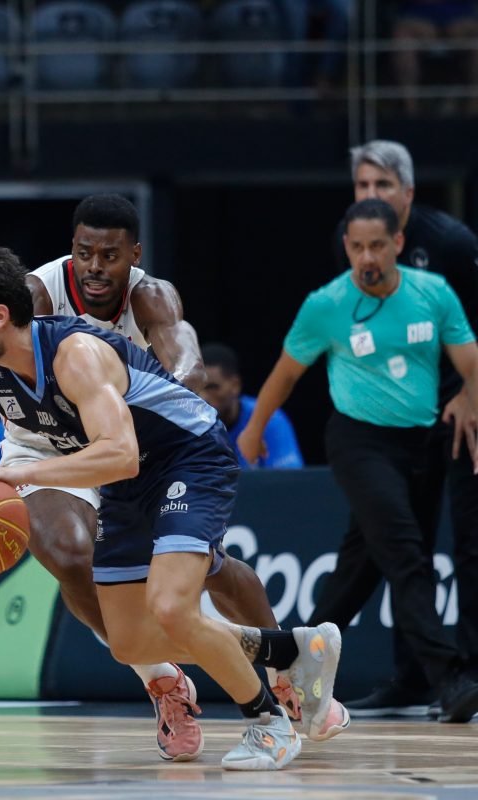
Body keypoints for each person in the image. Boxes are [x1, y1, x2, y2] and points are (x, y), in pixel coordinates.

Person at [0, 242, 344, 770]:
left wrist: (20, 473)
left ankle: (269, 723)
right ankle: (290, 651)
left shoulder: (75, 355)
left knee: (172, 606)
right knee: (129, 642)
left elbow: (122, 453)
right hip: (126, 482)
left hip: (186, 457)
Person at [239, 198, 478, 724]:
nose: (367, 257)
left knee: (361, 565)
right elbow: (285, 373)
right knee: (406, 552)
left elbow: (470, 360)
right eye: (357, 247)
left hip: (421, 442)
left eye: (377, 246)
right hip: (359, 441)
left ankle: (292, 663)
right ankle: (451, 677)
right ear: (347, 247)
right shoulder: (326, 305)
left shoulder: (433, 293)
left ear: (398, 245)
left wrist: (470, 397)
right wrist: (254, 430)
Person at [331, 140, 478, 716]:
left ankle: (469, 673)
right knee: (397, 543)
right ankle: (415, 679)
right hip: (399, 418)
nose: (372, 195)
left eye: (383, 185)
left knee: (469, 542)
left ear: (409, 194)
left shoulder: (451, 244)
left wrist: (469, 393)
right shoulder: (353, 240)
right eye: (363, 185)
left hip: (462, 409)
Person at [199, 342, 304, 469]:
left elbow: (289, 479)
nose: (203, 397)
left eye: (212, 387)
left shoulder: (268, 419)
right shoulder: (183, 424)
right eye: (196, 388)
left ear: (235, 385)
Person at [390, 1, 478, 115]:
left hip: (461, 18)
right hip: (416, 17)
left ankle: (473, 110)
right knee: (402, 37)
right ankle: (410, 110)